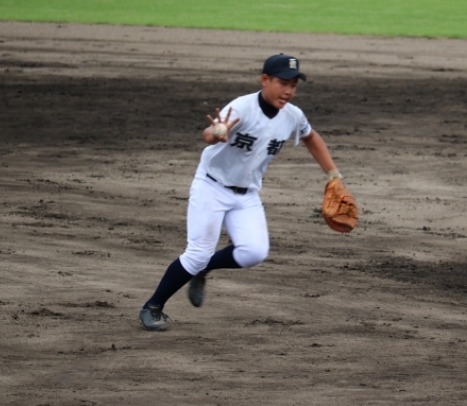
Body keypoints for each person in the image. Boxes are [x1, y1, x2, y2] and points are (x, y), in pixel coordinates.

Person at [139, 53, 344, 331]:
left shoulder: (293, 116)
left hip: (246, 194)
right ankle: (152, 306)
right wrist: (217, 132)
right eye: (283, 83)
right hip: (211, 186)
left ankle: (205, 268)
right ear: (265, 80)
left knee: (253, 252)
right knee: (197, 253)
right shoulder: (242, 107)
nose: (288, 91)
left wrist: (333, 175)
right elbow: (209, 134)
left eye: (293, 85)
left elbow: (310, 137)